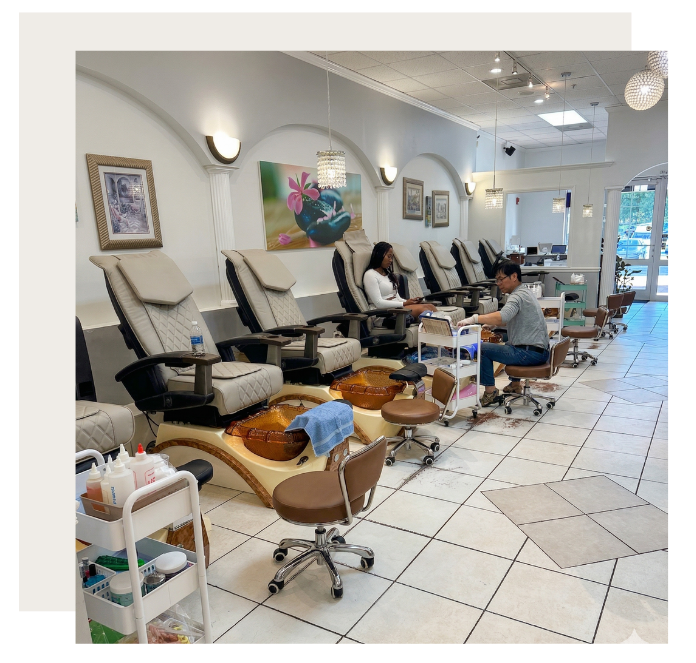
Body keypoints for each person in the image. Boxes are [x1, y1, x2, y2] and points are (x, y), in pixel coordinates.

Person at [457, 260, 550, 407]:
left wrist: (474, 319)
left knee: (482, 349)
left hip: (529, 354)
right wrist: (493, 324)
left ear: (514, 276)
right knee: (509, 343)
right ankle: (515, 385)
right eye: (497, 280)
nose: (498, 283)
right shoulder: (526, 292)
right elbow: (515, 318)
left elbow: (504, 316)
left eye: (501, 279)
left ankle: (490, 392)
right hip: (540, 351)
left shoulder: (517, 296)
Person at [363, 242, 437, 320]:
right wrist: (404, 303)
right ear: (379, 255)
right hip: (383, 313)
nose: (391, 260)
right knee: (424, 310)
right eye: (389, 256)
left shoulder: (388, 274)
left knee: (430, 307)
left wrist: (410, 301)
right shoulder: (370, 275)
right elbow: (378, 303)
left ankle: (445, 328)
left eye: (391, 257)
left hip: (396, 308)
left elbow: (397, 297)